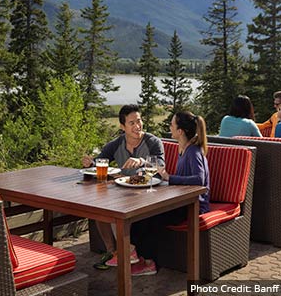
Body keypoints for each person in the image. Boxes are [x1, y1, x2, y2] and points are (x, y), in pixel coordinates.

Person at [125, 111, 211, 276]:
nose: (169, 127)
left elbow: (199, 180)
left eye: (172, 125)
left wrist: (168, 177)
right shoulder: (184, 149)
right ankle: (140, 257)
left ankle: (148, 262)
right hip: (182, 201)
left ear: (180, 131)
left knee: (149, 218)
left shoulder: (193, 151)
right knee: (140, 216)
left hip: (194, 205)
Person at [81, 104, 165, 268]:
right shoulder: (116, 143)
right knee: (98, 207)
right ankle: (113, 252)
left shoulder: (153, 142)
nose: (137, 126)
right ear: (122, 126)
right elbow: (100, 161)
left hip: (149, 192)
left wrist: (141, 161)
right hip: (124, 191)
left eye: (139, 121)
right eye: (132, 123)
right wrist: (89, 163)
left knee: (115, 207)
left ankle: (126, 251)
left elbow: (160, 166)